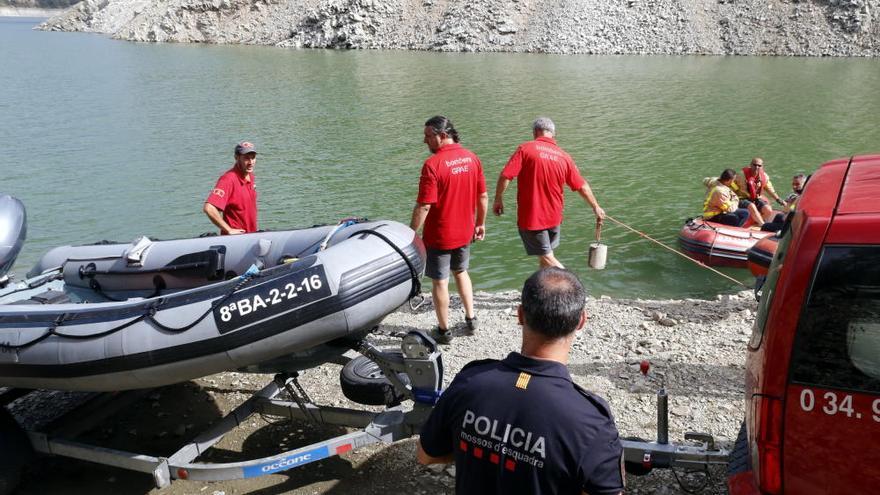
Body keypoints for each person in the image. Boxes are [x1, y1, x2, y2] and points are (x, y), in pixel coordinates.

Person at [417, 268, 624, 495]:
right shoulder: (591, 422)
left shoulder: (470, 381)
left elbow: (426, 455)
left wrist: (482, 446)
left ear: (520, 315)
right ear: (581, 321)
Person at [410, 116, 488, 345]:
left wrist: (412, 233)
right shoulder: (472, 158)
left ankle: (443, 331)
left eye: (428, 136)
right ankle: (471, 319)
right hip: (465, 231)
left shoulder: (432, 165)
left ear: (442, 135)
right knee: (461, 272)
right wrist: (480, 223)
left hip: (440, 235)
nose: (424, 141)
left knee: (440, 282)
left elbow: (424, 205)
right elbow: (482, 195)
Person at [493, 118, 605, 269]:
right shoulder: (564, 157)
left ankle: (575, 288)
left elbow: (506, 175)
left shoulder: (526, 149)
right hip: (554, 219)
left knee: (548, 258)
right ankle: (545, 292)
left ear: (535, 132)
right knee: (546, 258)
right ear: (553, 134)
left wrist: (498, 198)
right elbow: (582, 186)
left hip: (533, 218)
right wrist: (596, 206)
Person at [204, 141, 258, 234]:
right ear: (236, 158)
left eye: (253, 158)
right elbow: (209, 208)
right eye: (246, 158)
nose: (251, 162)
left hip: (250, 236)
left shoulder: (250, 176)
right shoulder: (228, 179)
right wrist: (229, 230)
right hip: (235, 241)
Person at [734, 157, 784, 222]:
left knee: (768, 210)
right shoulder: (741, 175)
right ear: (750, 165)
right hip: (742, 198)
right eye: (754, 165)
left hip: (755, 199)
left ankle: (755, 223)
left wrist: (779, 200)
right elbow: (731, 185)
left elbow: (770, 189)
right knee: (752, 206)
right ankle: (762, 225)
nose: (756, 167)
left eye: (759, 166)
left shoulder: (764, 177)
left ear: (762, 167)